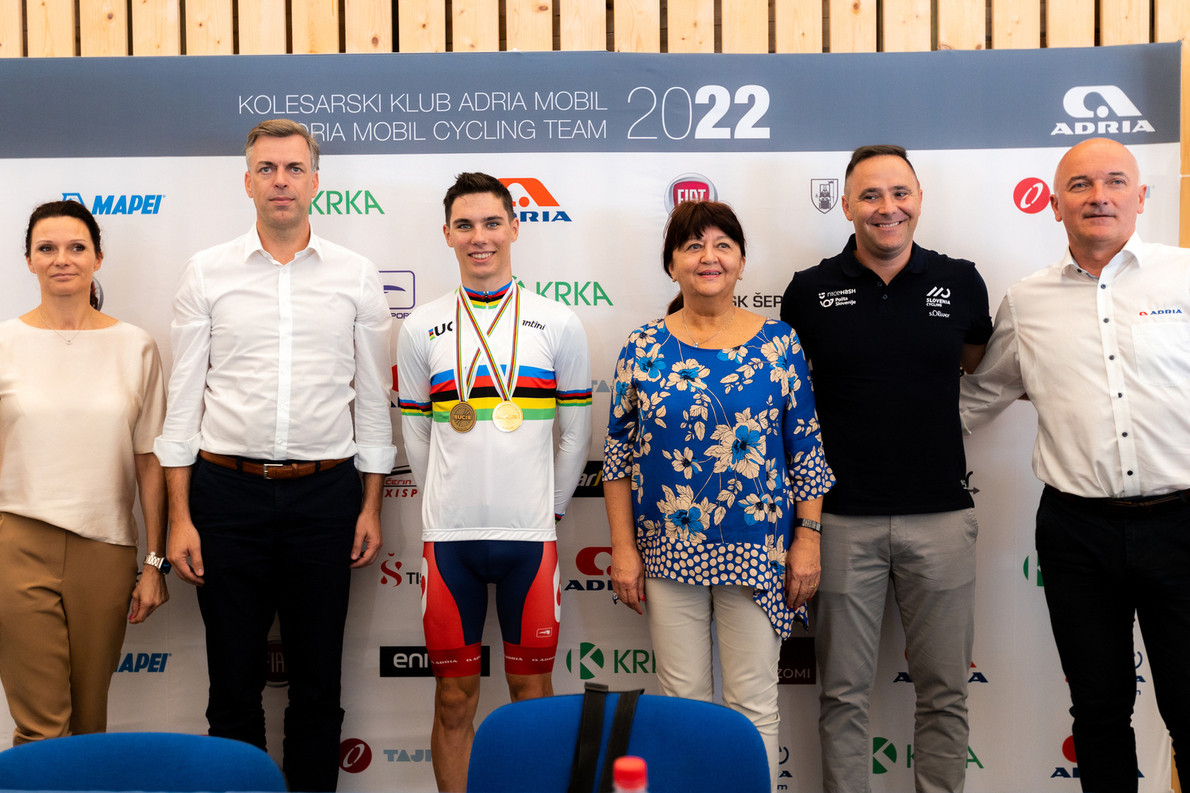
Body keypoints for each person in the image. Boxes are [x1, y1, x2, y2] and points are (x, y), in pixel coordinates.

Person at [154, 119, 393, 792]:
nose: (280, 181)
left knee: (319, 686)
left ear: (315, 181)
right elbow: (183, 403)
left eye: (293, 168)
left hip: (327, 497)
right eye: (267, 169)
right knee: (232, 686)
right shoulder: (207, 272)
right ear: (248, 182)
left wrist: (371, 505)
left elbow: (372, 403)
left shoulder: (355, 275)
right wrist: (179, 516)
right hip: (225, 497)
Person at [960, 137, 1189, 792]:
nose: (1099, 196)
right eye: (1080, 185)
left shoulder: (1184, 276)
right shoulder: (1027, 301)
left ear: (1140, 197)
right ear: (1055, 204)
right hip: (1077, 532)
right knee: (1098, 710)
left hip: (1181, 526)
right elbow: (977, 399)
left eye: (1115, 181)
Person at [780, 145, 991, 793]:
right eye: (870, 195)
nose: (886, 207)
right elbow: (792, 403)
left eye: (899, 193)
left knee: (945, 692)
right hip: (841, 522)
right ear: (846, 205)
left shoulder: (961, 281)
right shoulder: (809, 290)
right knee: (842, 694)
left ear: (919, 198)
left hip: (942, 517)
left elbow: (976, 367)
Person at [604, 199, 833, 789]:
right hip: (668, 552)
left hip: (759, 550)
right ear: (672, 264)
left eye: (722, 245)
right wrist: (623, 549)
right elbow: (618, 459)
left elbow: (806, 450)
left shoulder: (780, 344)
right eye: (692, 246)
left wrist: (807, 540)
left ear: (741, 261)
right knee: (682, 704)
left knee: (753, 706)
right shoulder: (642, 346)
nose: (708, 257)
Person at [396, 172, 591, 793]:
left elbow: (575, 437)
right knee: (453, 700)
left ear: (514, 228)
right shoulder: (420, 326)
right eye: (465, 225)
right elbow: (417, 438)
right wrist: (441, 507)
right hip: (449, 541)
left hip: (529, 540)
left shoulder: (558, 322)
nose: (479, 237)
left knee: (532, 697)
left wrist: (547, 512)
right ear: (447, 234)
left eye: (491, 223)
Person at [0, 200, 168, 744]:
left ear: (98, 258)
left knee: (90, 725)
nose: (62, 259)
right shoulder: (4, 343)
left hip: (107, 549)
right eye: (46, 248)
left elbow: (150, 461)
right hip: (17, 544)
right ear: (28, 260)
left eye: (76, 247)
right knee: (41, 728)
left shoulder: (136, 346)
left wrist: (154, 563)